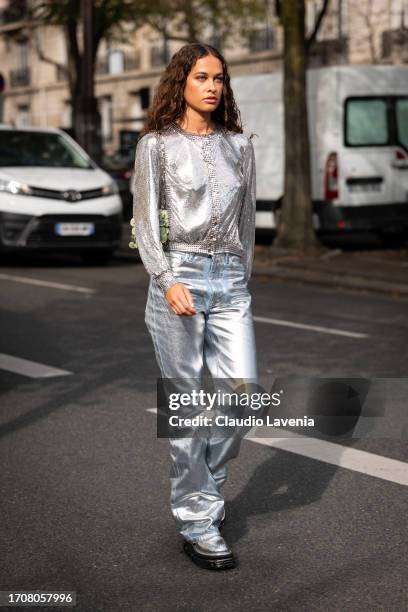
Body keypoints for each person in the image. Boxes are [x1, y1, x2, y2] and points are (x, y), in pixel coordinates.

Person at [133, 42, 258, 571]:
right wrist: (164, 278)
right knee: (186, 409)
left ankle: (205, 491)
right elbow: (146, 218)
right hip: (178, 279)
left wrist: (242, 279)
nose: (213, 86)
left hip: (229, 280)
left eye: (220, 79)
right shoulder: (156, 146)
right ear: (181, 82)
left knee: (242, 395)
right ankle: (198, 520)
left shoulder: (238, 146)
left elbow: (248, 221)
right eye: (203, 76)